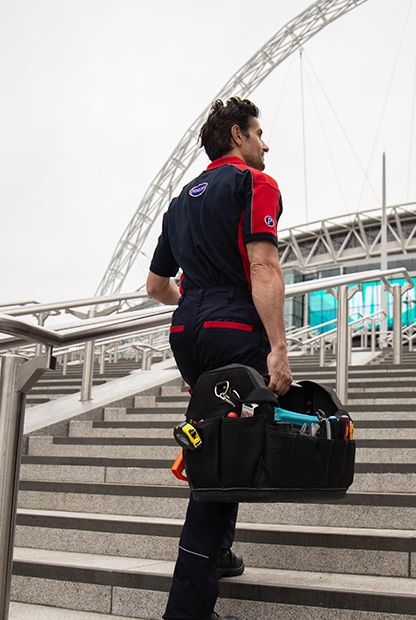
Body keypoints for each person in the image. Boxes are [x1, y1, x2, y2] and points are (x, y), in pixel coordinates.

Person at [146, 97, 293, 620]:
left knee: (219, 435)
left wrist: (193, 300)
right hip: (233, 324)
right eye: (259, 133)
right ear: (237, 135)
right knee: (223, 453)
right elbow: (263, 265)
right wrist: (278, 347)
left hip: (187, 330)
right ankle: (187, 608)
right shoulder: (256, 184)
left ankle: (222, 551)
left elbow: (155, 285)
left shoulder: (180, 201)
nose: (265, 143)